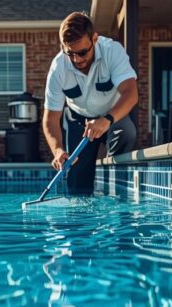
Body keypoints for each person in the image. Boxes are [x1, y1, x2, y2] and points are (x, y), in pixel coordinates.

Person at [43, 11, 139, 195]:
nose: (76, 59)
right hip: (78, 120)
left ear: (94, 39)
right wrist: (57, 150)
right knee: (78, 180)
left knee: (127, 132)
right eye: (70, 53)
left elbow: (131, 93)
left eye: (82, 52)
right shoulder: (58, 68)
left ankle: (117, 190)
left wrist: (106, 119)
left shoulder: (112, 51)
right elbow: (50, 119)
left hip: (112, 115)